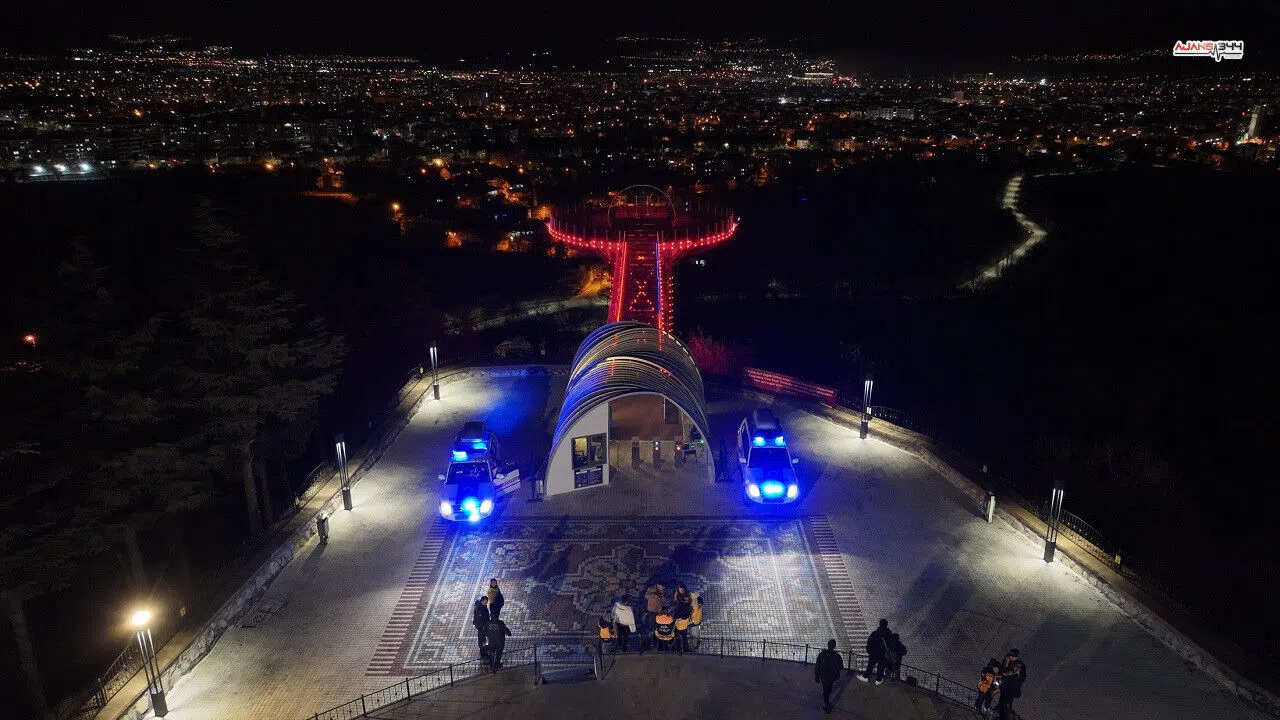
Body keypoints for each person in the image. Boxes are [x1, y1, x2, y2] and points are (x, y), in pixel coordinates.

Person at [858, 618, 892, 685]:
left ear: (880, 624)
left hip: (874, 654)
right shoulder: (889, 635)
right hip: (883, 655)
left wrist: (870, 652)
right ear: (886, 625)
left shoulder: (875, 633)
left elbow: (869, 643)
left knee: (870, 666)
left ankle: (865, 677)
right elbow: (891, 645)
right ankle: (878, 680)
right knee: (881, 668)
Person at [814, 639, 844, 713]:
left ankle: (826, 702)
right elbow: (841, 667)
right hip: (832, 676)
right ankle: (826, 702)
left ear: (828, 645)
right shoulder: (837, 656)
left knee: (825, 688)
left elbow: (817, 665)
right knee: (829, 688)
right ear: (834, 646)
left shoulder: (822, 654)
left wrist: (816, 675)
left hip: (823, 675)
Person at [996, 649, 1026, 720]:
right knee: (1003, 695)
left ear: (1015, 657)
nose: (1009, 657)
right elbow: (1003, 670)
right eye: (1009, 656)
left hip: (1014, 683)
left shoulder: (1019, 664)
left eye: (1011, 656)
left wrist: (1005, 666)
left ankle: (1004, 714)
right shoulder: (1008, 659)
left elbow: (1009, 672)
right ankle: (999, 708)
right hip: (1007, 681)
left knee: (1008, 699)